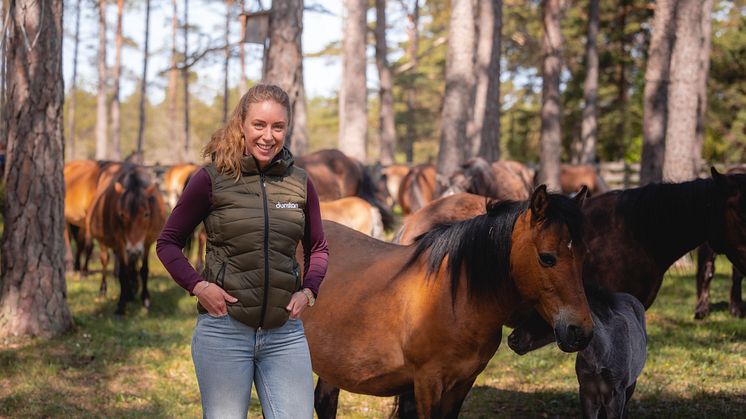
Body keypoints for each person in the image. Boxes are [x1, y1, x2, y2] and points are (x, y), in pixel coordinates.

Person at [156, 84, 328, 419]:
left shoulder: (300, 183)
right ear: (242, 125)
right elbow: (167, 243)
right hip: (225, 330)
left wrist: (309, 291)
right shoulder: (212, 179)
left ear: (286, 129)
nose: (268, 136)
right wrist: (199, 286)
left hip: (284, 334)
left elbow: (318, 246)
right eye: (259, 125)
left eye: (277, 127)